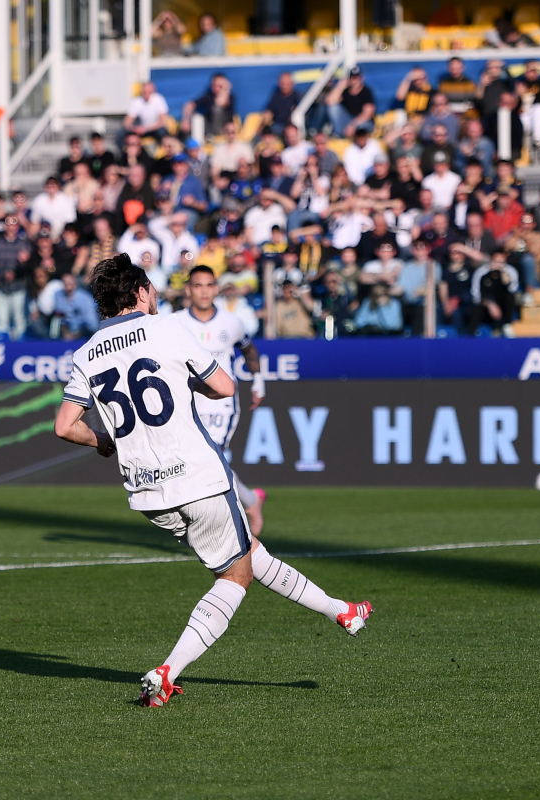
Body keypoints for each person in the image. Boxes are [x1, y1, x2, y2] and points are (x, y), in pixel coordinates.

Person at [54, 253, 371, 707]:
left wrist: (103, 441)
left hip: (147, 494)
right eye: (153, 288)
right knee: (236, 576)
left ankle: (342, 612)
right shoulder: (165, 329)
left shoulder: (86, 353)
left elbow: (65, 426)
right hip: (198, 476)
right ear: (141, 292)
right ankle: (167, 671)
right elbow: (224, 386)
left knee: (246, 553)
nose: (158, 295)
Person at [176, 265, 268, 529]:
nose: (204, 291)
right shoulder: (176, 323)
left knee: (213, 457)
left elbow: (249, 350)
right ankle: (251, 500)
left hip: (222, 402)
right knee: (192, 460)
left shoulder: (231, 322)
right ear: (188, 289)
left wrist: (258, 381)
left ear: (216, 289)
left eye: (208, 285)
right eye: (197, 286)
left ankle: (218, 523)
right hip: (189, 400)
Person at [325, 65, 376, 139]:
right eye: (352, 78)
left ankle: (359, 138)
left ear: (362, 78)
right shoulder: (345, 91)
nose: (355, 80)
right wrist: (341, 86)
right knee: (333, 107)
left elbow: (368, 113)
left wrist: (353, 125)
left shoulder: (366, 92)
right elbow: (329, 101)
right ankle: (339, 135)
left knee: (363, 127)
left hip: (361, 123)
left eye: (357, 78)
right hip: (347, 121)